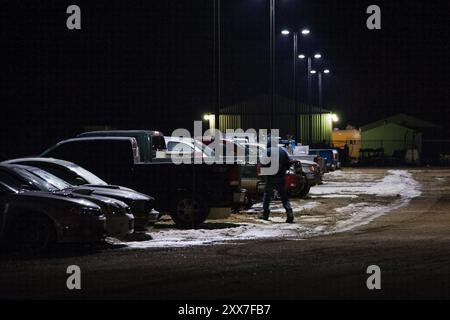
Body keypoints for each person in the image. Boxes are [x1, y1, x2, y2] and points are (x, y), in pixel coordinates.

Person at [259, 139, 294, 223]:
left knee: (267, 195)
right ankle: (289, 212)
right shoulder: (282, 151)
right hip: (281, 176)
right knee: (283, 196)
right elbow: (289, 162)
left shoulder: (267, 151)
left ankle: (265, 214)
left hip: (271, 176)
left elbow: (262, 163)